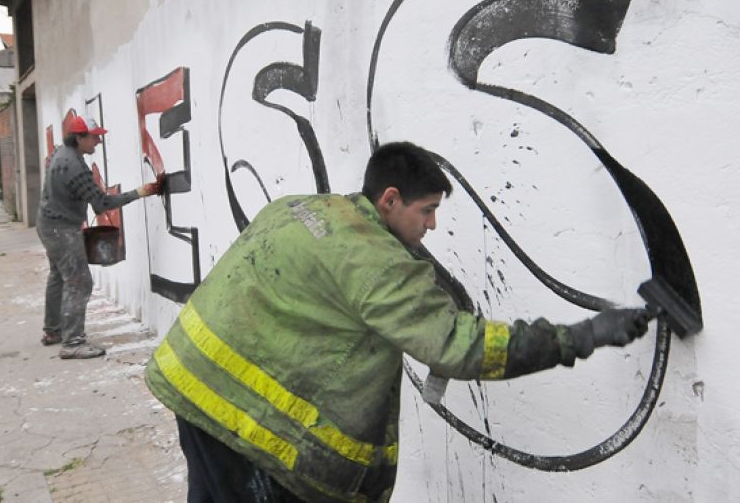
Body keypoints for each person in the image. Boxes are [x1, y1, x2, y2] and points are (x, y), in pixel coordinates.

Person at [144, 141, 651, 502]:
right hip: (246, 432)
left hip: (194, 387)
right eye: (427, 211)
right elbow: (459, 349)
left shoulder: (300, 208)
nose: (431, 225)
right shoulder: (378, 264)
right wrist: (582, 336)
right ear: (390, 199)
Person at [37, 115, 163, 359]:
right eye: (94, 138)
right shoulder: (74, 166)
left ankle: (53, 331)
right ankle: (72, 343)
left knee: (58, 276)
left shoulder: (61, 154)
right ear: (79, 138)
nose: (98, 142)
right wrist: (140, 192)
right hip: (61, 230)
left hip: (48, 225)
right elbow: (103, 203)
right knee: (79, 281)